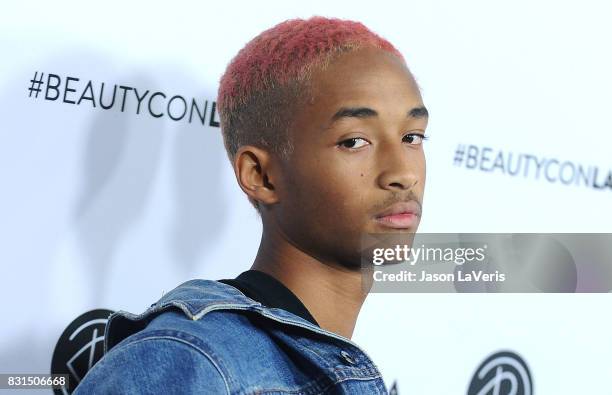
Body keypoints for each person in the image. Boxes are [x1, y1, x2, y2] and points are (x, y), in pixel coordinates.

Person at [75, 16, 428, 394]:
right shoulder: (190, 359)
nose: (403, 173)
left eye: (411, 136)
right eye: (354, 142)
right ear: (260, 175)